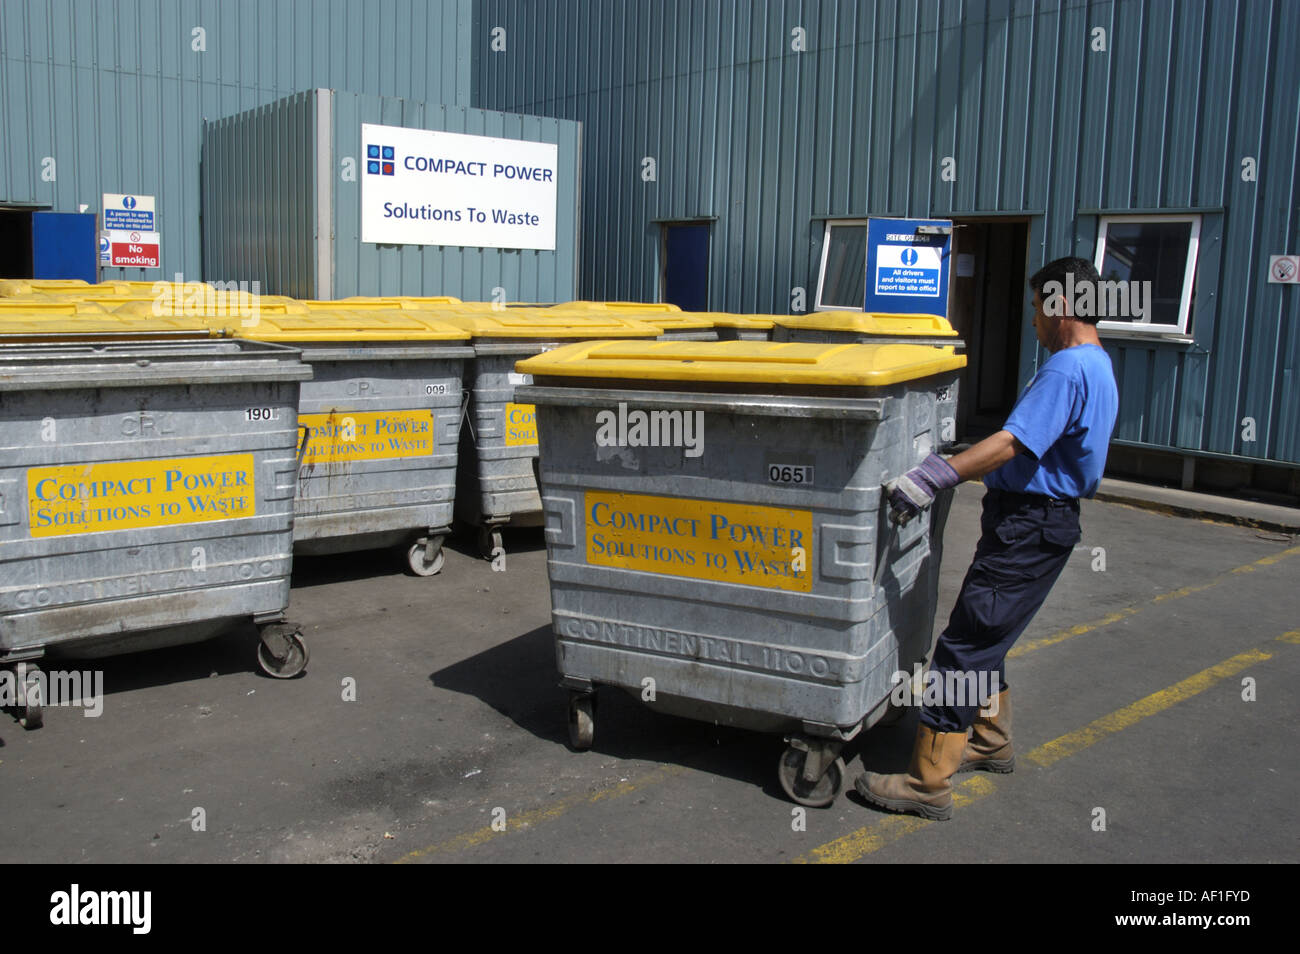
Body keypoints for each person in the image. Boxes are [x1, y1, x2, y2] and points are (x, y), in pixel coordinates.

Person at [855, 255, 1120, 821]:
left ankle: (927, 780)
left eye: (1035, 308)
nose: (1032, 321)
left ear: (1060, 306)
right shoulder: (1098, 365)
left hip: (1028, 525)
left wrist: (937, 476)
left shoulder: (1066, 369)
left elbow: (1012, 444)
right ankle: (990, 738)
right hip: (1043, 522)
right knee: (989, 633)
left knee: (966, 644)